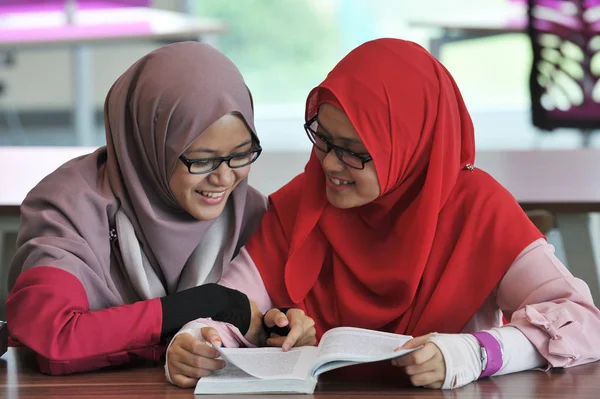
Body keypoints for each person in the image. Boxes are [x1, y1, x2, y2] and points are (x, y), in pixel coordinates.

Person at [166, 38, 600, 389]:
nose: (331, 165)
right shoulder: (303, 201)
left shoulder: (476, 207)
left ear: (410, 150)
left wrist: (475, 353)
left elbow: (584, 321)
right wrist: (195, 342)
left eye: (355, 153)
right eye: (323, 139)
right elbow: (229, 305)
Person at [6, 42, 271, 375]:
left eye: (242, 154)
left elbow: (270, 319)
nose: (224, 177)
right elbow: (53, 338)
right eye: (202, 160)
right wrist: (207, 304)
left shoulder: (251, 212)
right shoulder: (67, 208)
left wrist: (283, 326)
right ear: (150, 143)